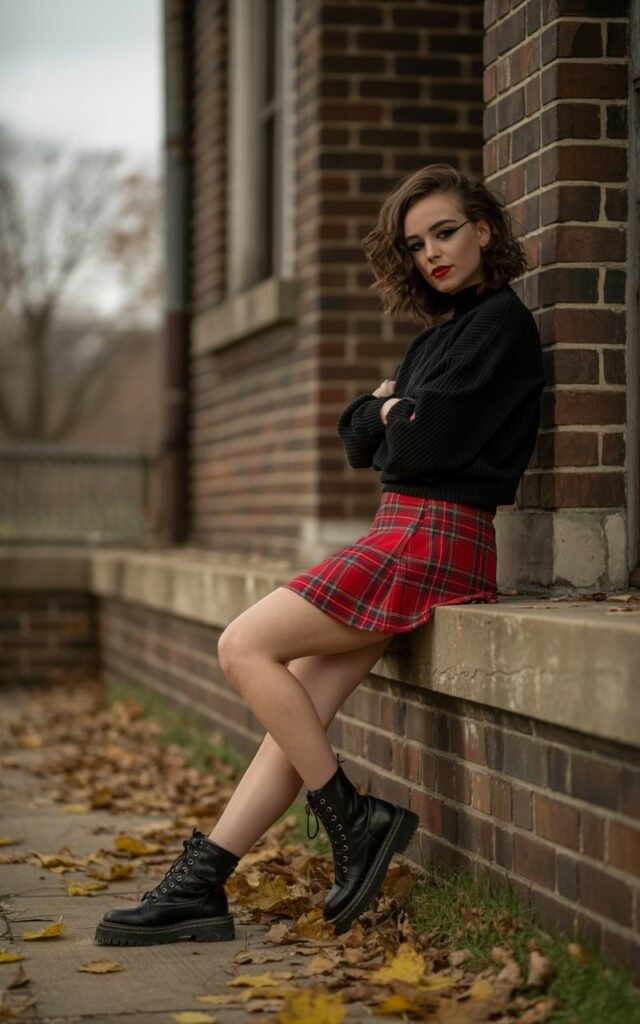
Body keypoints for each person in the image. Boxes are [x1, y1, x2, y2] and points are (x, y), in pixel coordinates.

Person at [95, 163, 545, 947]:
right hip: (406, 528)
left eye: (445, 232)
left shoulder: (500, 325)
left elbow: (414, 444)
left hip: (432, 534)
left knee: (243, 644)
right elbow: (358, 438)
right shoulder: (436, 339)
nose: (432, 253)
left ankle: (355, 822)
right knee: (294, 704)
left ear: (484, 230)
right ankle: (203, 885)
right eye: (415, 244)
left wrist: (394, 416)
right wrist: (386, 411)